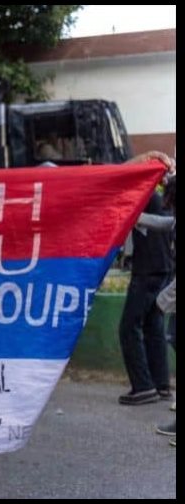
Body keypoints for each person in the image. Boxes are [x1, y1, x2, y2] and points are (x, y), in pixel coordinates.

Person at [117, 153, 175, 405]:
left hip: (147, 270)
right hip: (162, 268)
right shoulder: (159, 196)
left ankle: (142, 386)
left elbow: (117, 178)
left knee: (128, 327)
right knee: (153, 327)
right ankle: (160, 384)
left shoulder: (145, 195)